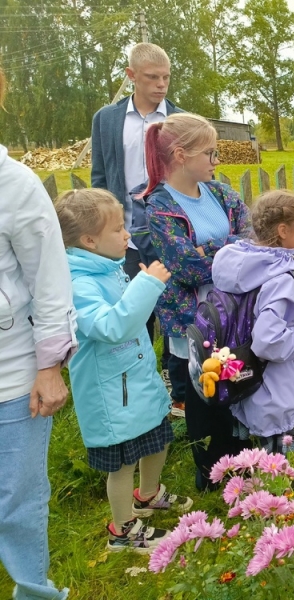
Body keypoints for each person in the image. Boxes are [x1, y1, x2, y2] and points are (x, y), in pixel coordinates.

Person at [55, 188, 192, 553]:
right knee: (123, 463)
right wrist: (146, 285)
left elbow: (129, 316)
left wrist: (142, 286)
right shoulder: (78, 283)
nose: (127, 234)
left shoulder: (108, 267)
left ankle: (147, 495)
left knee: (157, 438)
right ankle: (123, 529)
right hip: (112, 392)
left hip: (135, 380)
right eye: (118, 229)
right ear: (89, 240)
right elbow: (110, 327)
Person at [143, 112, 252, 491]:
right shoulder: (159, 207)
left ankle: (245, 465)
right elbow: (186, 267)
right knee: (205, 396)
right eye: (210, 152)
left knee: (238, 386)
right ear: (180, 155)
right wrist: (229, 248)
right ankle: (211, 475)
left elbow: (250, 241)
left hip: (235, 314)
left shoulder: (221, 193)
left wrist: (211, 249)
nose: (216, 160)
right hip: (193, 320)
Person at [0, 67, 73, 600]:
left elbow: (49, 281)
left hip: (11, 374)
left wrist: (49, 366)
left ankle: (32, 590)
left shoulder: (15, 185)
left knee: (17, 497)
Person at [90, 42, 182, 413]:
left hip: (169, 234)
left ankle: (179, 391)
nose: (161, 85)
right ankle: (139, 386)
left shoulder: (178, 120)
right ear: (131, 76)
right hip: (125, 237)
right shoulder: (107, 119)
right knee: (132, 311)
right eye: (152, 77)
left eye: (166, 77)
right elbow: (100, 174)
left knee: (174, 309)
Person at [211, 191, 294, 454]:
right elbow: (267, 339)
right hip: (275, 391)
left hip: (246, 381)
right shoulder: (279, 279)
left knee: (260, 457)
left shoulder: (244, 265)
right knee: (280, 466)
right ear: (283, 230)